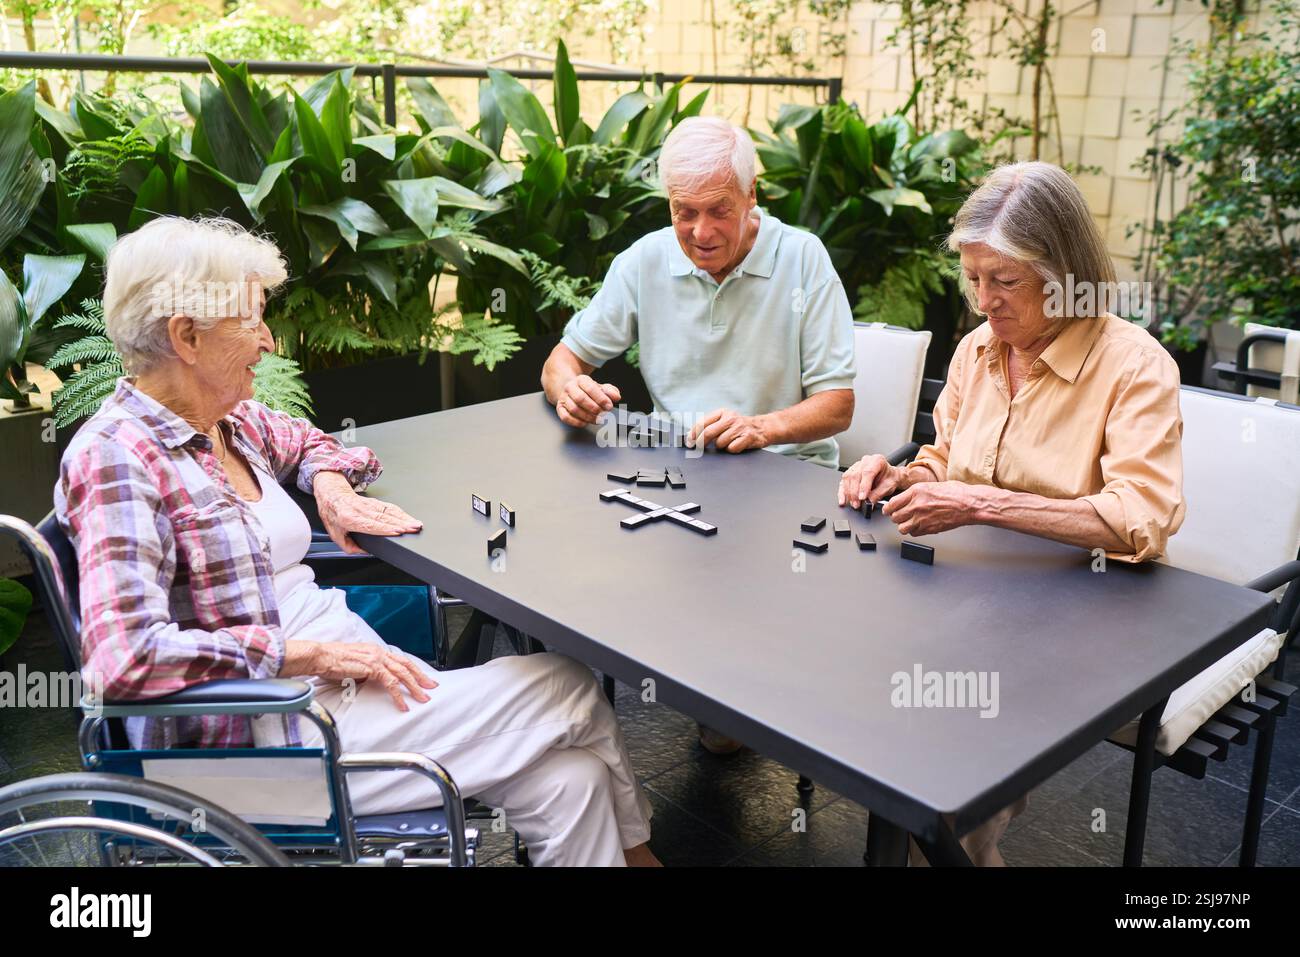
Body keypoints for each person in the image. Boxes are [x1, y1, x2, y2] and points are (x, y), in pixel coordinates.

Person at [56, 216, 658, 867]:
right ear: (187, 336)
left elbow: (318, 444)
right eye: (251, 321)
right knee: (566, 684)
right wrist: (308, 655)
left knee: (575, 784)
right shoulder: (118, 458)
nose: (269, 340)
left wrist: (331, 485)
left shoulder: (228, 418)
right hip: (261, 739)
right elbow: (124, 661)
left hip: (339, 695)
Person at [838, 161, 1185, 865]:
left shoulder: (1135, 367)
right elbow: (947, 459)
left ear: (1063, 273)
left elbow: (1140, 518)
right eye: (973, 279)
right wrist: (898, 474)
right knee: (855, 693)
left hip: (1081, 620)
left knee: (940, 772)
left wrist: (976, 503)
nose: (983, 303)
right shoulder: (978, 351)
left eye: (1005, 281)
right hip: (972, 599)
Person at [541, 116, 856, 754]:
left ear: (752, 195)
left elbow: (837, 405)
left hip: (787, 482)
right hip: (677, 475)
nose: (701, 232)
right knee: (557, 575)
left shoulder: (803, 259)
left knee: (736, 701)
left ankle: (742, 686)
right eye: (685, 212)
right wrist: (569, 388)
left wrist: (762, 425)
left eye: (720, 211)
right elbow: (561, 360)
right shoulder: (646, 260)